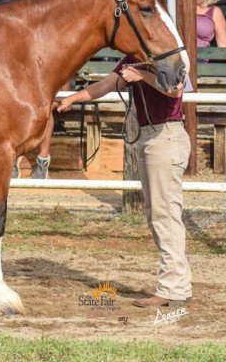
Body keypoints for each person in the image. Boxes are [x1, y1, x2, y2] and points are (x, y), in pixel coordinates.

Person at [57, 58, 192, 308]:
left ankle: (172, 288)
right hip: (151, 136)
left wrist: (143, 76)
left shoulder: (168, 57)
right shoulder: (133, 59)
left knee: (165, 213)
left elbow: (176, 89)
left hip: (166, 134)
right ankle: (179, 284)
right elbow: (107, 84)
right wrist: (72, 99)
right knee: (159, 213)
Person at [13, 0, 57, 179]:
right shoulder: (25, 16)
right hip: (26, 73)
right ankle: (12, 158)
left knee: (47, 112)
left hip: (49, 73)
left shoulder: (58, 20)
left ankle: (42, 160)